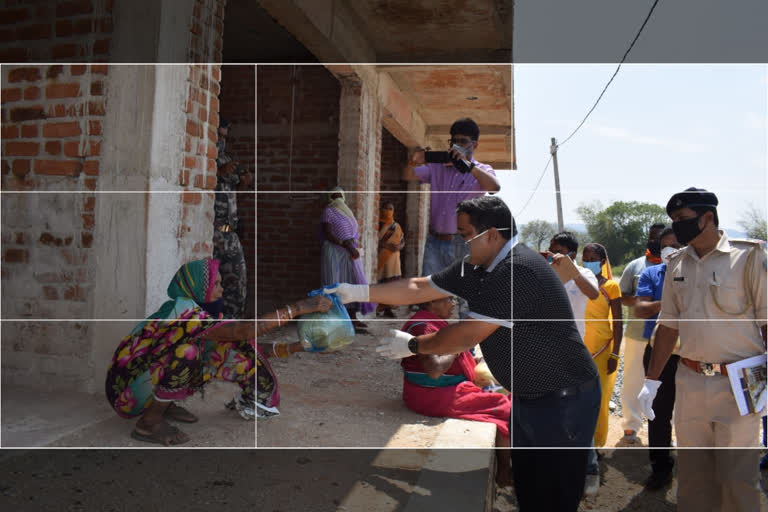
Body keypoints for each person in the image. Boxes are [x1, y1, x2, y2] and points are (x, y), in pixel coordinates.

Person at [326, 196, 599, 511]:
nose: (461, 241)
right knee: (530, 484)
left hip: (563, 397)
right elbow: (420, 287)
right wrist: (359, 291)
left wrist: (414, 345)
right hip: (532, 393)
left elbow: (467, 334)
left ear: (492, 234)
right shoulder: (481, 266)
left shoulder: (516, 271)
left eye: (466, 234)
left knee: (553, 493)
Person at [639, 187, 767, 511]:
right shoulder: (678, 264)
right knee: (694, 478)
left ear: (707, 217)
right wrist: (651, 381)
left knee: (737, 479)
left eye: (682, 219)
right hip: (691, 380)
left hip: (740, 383)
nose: (676, 226)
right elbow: (668, 326)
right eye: (673, 220)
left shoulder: (750, 257)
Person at [105, 258, 257, 446]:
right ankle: (148, 422)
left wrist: (292, 347)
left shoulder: (204, 312)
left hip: (144, 381)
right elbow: (241, 331)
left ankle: (163, 404)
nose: (221, 290)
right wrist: (293, 311)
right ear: (198, 288)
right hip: (126, 393)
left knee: (217, 351)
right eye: (216, 284)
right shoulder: (183, 312)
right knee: (188, 353)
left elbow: (237, 339)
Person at [400, 295, 512, 486]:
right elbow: (434, 369)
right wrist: (458, 346)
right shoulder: (422, 326)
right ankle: (504, 474)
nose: (453, 304)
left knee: (508, 393)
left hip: (436, 390)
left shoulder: (430, 321)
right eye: (448, 300)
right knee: (505, 409)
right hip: (432, 394)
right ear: (431, 302)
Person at [402, 117, 500, 317]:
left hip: (464, 244)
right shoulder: (438, 167)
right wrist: (414, 160)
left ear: (475, 144)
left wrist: (469, 166)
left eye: (463, 141)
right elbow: (407, 175)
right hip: (435, 242)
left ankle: (466, 349)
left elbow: (495, 187)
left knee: (466, 300)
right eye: (454, 141)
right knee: (428, 297)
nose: (457, 146)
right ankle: (431, 342)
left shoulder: (481, 170)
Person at [634, 227, 683, 490]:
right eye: (665, 245)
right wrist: (669, 301)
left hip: (693, 352)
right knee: (658, 413)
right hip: (659, 353)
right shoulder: (653, 273)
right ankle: (661, 467)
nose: (670, 249)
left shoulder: (697, 274)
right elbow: (640, 308)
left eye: (675, 244)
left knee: (692, 413)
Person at [581, 243, 623, 494]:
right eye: (585, 258)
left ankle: (596, 445)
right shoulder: (577, 283)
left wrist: (616, 354)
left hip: (603, 350)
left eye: (593, 258)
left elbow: (618, 323)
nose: (588, 262)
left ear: (603, 260)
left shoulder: (610, 287)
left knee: (600, 399)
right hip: (581, 351)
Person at [618, 223, 667, 443]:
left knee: (666, 382)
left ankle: (664, 428)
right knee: (633, 379)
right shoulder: (636, 266)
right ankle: (631, 425)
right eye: (652, 238)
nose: (655, 242)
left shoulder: (677, 266)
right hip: (638, 332)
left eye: (659, 239)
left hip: (669, 337)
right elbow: (621, 295)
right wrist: (642, 302)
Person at [255, 295, 333, 418]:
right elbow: (245, 330)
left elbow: (254, 348)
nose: (222, 289)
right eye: (216, 284)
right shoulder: (214, 324)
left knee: (249, 353)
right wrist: (296, 309)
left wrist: (301, 347)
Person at [212, 118, 253, 319]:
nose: (221, 141)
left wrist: (245, 180)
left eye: (224, 137)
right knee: (210, 287)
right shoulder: (203, 158)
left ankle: (231, 328)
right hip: (212, 233)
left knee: (237, 285)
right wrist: (218, 172)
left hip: (230, 234)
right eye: (218, 136)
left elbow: (239, 190)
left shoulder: (226, 159)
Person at [320, 186, 375, 319]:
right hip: (334, 252)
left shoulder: (348, 213)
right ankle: (338, 318)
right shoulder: (328, 211)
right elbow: (327, 233)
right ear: (330, 198)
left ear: (344, 197)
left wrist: (350, 245)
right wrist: (343, 243)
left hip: (348, 253)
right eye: (334, 195)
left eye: (340, 195)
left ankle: (352, 317)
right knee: (336, 282)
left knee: (351, 282)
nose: (337, 198)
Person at [546, 231, 599, 340]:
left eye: (558, 252)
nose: (554, 256)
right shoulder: (545, 272)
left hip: (573, 337)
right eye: (551, 252)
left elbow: (593, 294)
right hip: (548, 337)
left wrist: (572, 271)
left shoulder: (585, 273)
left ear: (573, 254)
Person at [377, 201, 405, 317]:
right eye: (385, 208)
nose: (388, 211)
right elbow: (374, 240)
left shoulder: (396, 226)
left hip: (394, 260)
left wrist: (399, 246)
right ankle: (378, 307)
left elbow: (403, 241)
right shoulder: (377, 224)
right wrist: (386, 246)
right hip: (381, 258)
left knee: (392, 285)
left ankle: (389, 309)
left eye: (390, 209)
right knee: (381, 283)